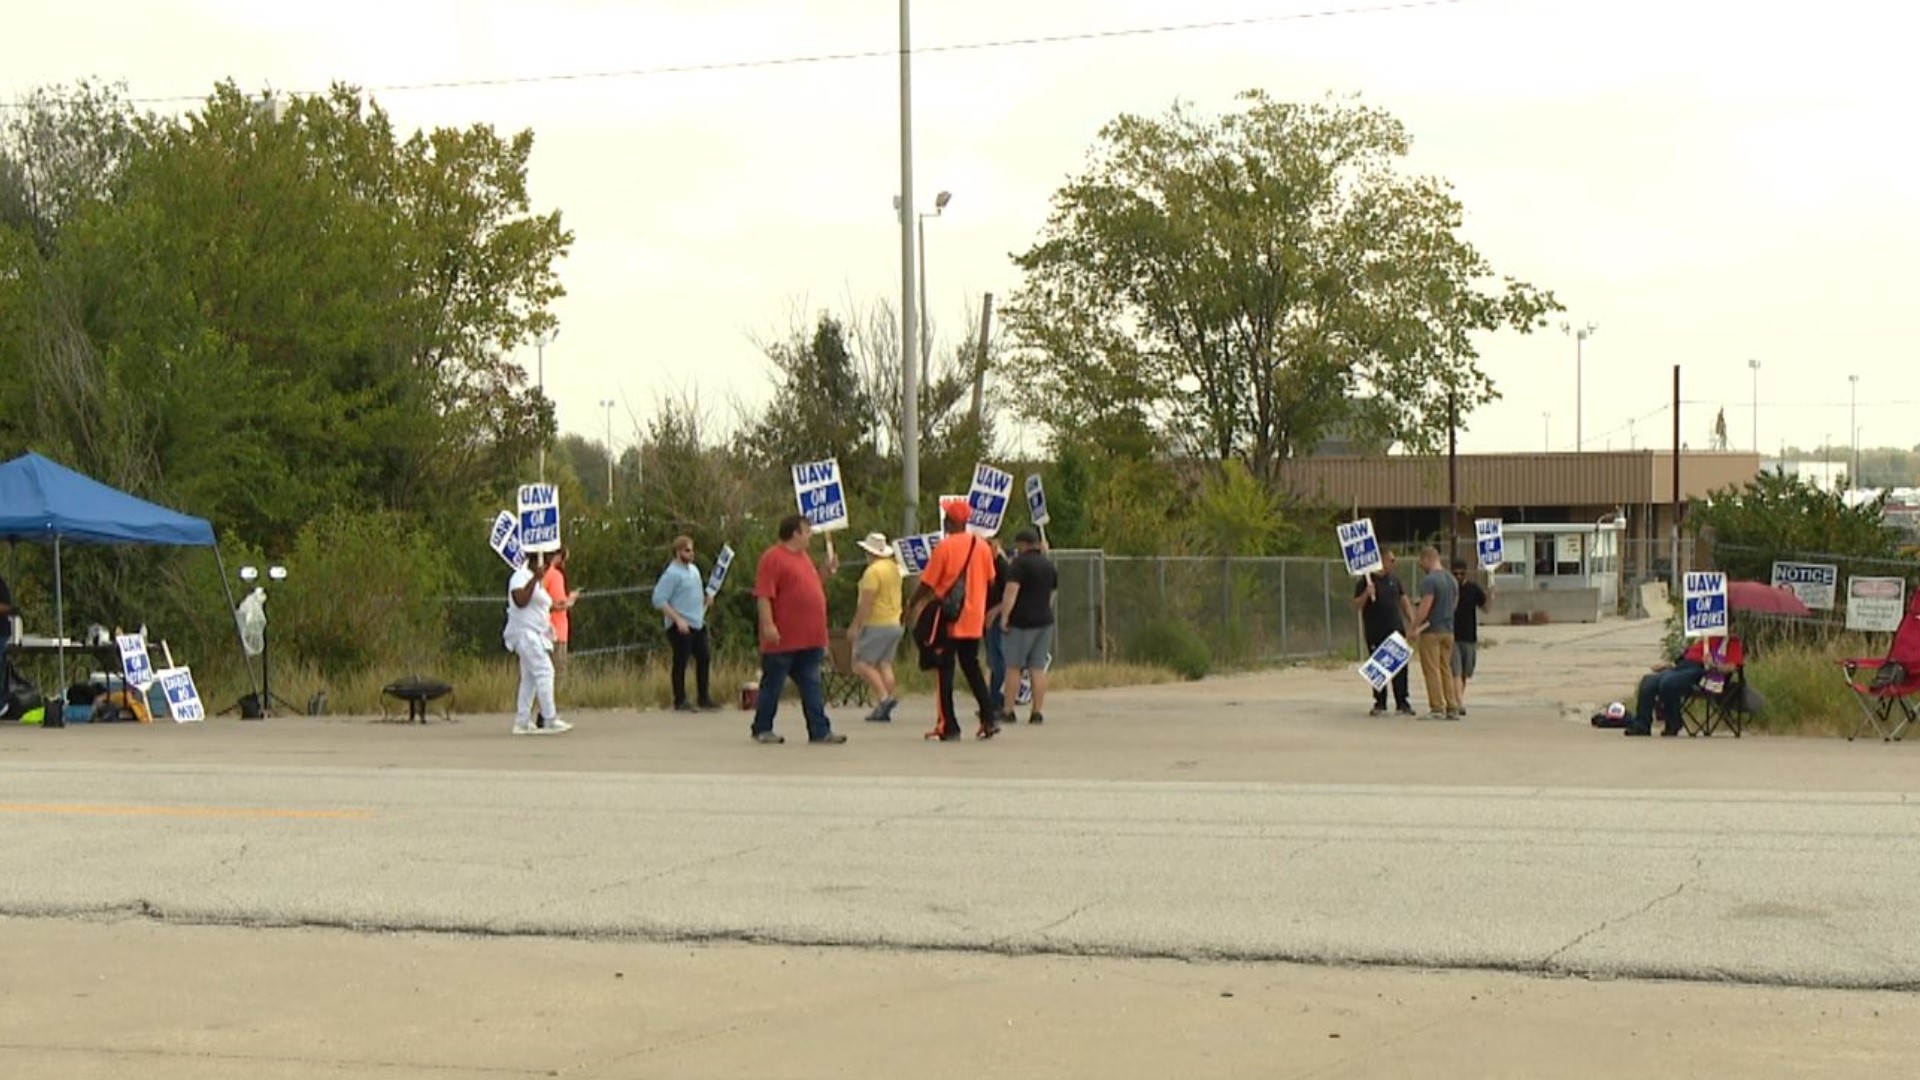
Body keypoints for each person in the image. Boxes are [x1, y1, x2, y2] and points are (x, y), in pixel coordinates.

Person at [750, 514, 847, 745]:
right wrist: (768, 624)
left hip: (810, 637)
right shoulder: (772, 558)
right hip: (783, 637)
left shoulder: (803, 558)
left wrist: (825, 570)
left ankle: (819, 730)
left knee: (812, 684)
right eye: (807, 530)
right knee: (773, 684)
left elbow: (812, 584)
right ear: (795, 532)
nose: (811, 535)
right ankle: (762, 727)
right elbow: (764, 594)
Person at [909, 500, 1001, 741]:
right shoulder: (981, 547)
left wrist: (911, 604)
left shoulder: (945, 548)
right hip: (973, 619)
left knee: (944, 672)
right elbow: (991, 581)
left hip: (948, 620)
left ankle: (948, 725)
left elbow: (928, 584)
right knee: (973, 670)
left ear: (951, 521)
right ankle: (988, 719)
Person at [1626, 633, 1744, 737]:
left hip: (1703, 672)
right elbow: (1687, 657)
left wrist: (1714, 665)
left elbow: (1732, 667)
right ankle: (1642, 725)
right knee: (1648, 682)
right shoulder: (1704, 637)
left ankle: (1673, 723)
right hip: (1682, 667)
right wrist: (1668, 665)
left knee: (1668, 683)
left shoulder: (1732, 641)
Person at [997, 526, 1058, 725]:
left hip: (1022, 622)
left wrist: (1005, 617)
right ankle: (1037, 712)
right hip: (1044, 620)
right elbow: (1052, 594)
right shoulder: (1049, 565)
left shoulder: (1019, 565)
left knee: (1013, 666)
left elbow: (1011, 593)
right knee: (1037, 667)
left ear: (1023, 544)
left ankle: (1008, 710)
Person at [505, 552, 570, 736]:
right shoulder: (520, 576)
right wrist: (535, 579)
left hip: (536, 633)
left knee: (530, 678)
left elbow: (542, 605)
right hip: (525, 634)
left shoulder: (537, 582)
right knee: (545, 671)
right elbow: (520, 601)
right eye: (544, 563)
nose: (547, 567)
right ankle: (549, 718)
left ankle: (522, 720)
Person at [652, 535, 718, 712]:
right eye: (687, 551)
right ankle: (680, 699)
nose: (691, 554)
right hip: (680, 624)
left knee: (704, 657)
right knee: (681, 661)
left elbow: (694, 594)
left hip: (697, 621)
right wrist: (677, 619)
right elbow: (659, 599)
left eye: (692, 550)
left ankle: (704, 697)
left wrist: (706, 600)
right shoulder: (672, 574)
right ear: (678, 552)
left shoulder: (694, 570)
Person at [848, 532, 905, 723]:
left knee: (862, 662)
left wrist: (856, 625)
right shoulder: (893, 568)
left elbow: (866, 602)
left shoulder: (872, 572)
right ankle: (885, 706)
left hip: (877, 623)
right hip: (894, 621)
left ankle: (884, 698)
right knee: (884, 663)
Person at [1353, 550, 1416, 716]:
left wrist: (1412, 621)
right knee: (1379, 667)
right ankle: (1380, 702)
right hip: (1375, 630)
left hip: (1395, 629)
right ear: (1381, 560)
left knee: (1400, 667)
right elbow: (1356, 605)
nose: (1394, 563)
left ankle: (1402, 702)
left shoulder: (1394, 581)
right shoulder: (1366, 581)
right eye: (1391, 560)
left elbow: (1404, 600)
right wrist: (1367, 593)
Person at [1411, 546, 1462, 721]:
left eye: (1421, 562)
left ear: (1427, 559)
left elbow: (1426, 606)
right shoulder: (1452, 580)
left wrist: (1414, 626)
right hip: (1448, 630)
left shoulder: (1430, 581)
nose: (1421, 566)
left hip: (1430, 631)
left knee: (1431, 670)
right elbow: (1454, 604)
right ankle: (1452, 705)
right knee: (1445, 668)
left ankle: (1437, 707)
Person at [1450, 559, 1492, 715]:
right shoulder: (1450, 588)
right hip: (1452, 635)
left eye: (1461, 573)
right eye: (1455, 574)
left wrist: (1491, 595)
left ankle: (1459, 697)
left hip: (1469, 636)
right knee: (1455, 670)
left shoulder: (1473, 589)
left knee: (1464, 673)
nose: (1458, 576)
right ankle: (1458, 702)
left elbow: (1486, 608)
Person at [541, 547, 581, 685]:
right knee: (559, 670)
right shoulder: (556, 575)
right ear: (558, 556)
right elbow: (560, 603)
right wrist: (572, 598)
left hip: (542, 628)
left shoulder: (541, 574)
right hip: (557, 629)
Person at [982, 538, 1013, 716]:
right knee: (992, 659)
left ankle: (996, 699)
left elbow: (1010, 593)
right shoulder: (987, 565)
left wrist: (997, 611)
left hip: (996, 616)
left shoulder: (1002, 566)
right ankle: (992, 699)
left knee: (998, 659)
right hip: (986, 616)